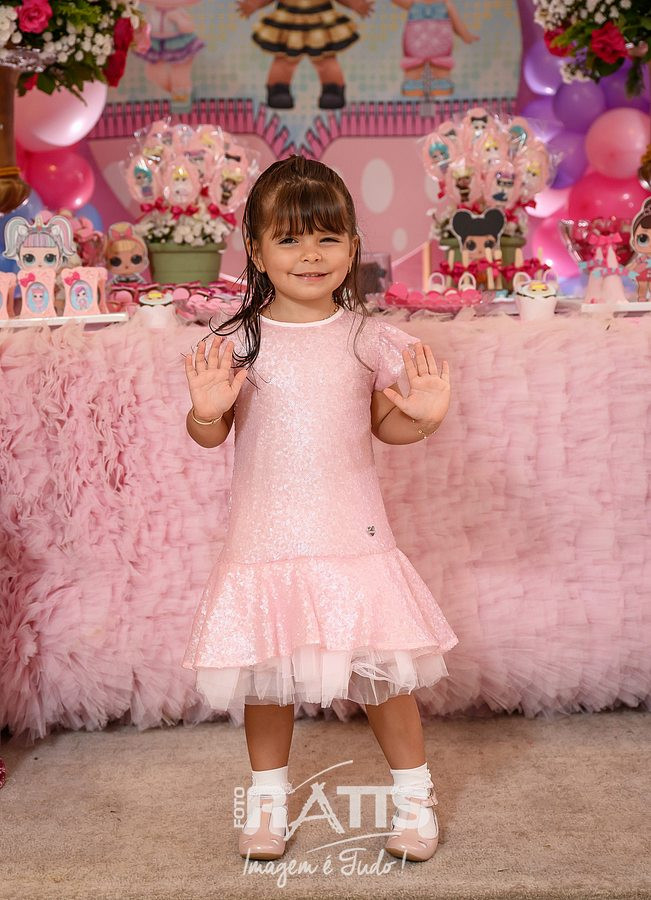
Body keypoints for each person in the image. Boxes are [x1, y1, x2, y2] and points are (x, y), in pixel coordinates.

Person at [181, 155, 458, 863]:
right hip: (265, 537)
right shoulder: (238, 342)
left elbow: (383, 426)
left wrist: (423, 419)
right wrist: (206, 411)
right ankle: (267, 803)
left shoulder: (367, 338)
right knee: (267, 680)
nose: (310, 254)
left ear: (352, 246)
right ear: (256, 251)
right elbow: (210, 433)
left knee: (381, 675)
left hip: (350, 533)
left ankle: (414, 798)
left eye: (327, 238)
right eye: (289, 239)